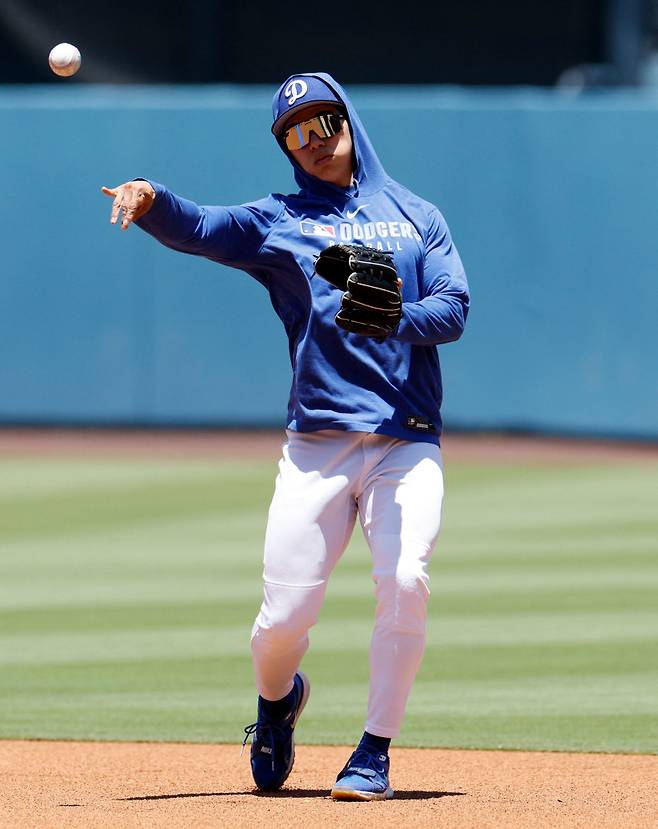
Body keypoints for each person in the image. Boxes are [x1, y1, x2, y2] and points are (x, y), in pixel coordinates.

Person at [102, 72, 469, 801]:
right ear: (286, 149)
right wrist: (150, 198)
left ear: (348, 122)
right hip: (317, 446)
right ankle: (278, 703)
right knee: (280, 624)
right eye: (295, 133)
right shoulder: (281, 220)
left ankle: (373, 753)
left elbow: (453, 308)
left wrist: (392, 315)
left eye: (323, 122)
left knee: (405, 581)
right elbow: (203, 227)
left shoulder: (416, 214)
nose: (314, 141)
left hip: (406, 437)